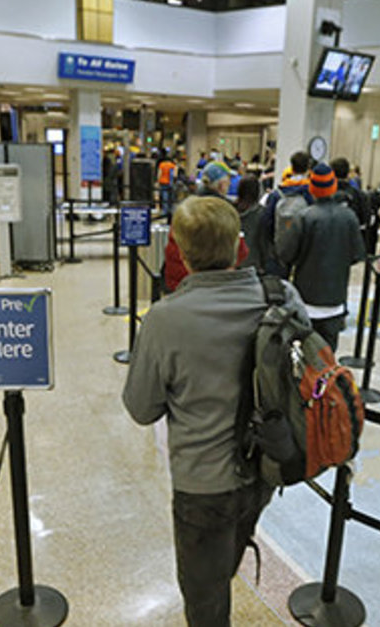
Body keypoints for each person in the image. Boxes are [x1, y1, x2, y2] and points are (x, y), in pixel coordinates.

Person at [123, 196, 309, 627]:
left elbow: (140, 407)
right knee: (230, 551)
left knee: (204, 594)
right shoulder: (282, 296)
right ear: (238, 246)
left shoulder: (165, 320)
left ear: (181, 254)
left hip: (201, 485)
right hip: (265, 468)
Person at [276, 162, 366, 350]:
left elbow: (286, 254)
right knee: (328, 355)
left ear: (312, 188)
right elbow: (358, 254)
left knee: (306, 354)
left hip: (307, 300)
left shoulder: (304, 217)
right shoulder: (349, 217)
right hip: (336, 299)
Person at [163, 162, 249, 293]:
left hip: (177, 284)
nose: (230, 184)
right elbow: (239, 252)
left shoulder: (186, 209)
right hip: (204, 287)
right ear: (221, 185)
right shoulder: (221, 213)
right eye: (228, 180)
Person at [258, 151, 313, 278]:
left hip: (280, 249)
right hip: (303, 253)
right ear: (308, 169)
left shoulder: (277, 194)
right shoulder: (311, 194)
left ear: (291, 167)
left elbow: (267, 222)